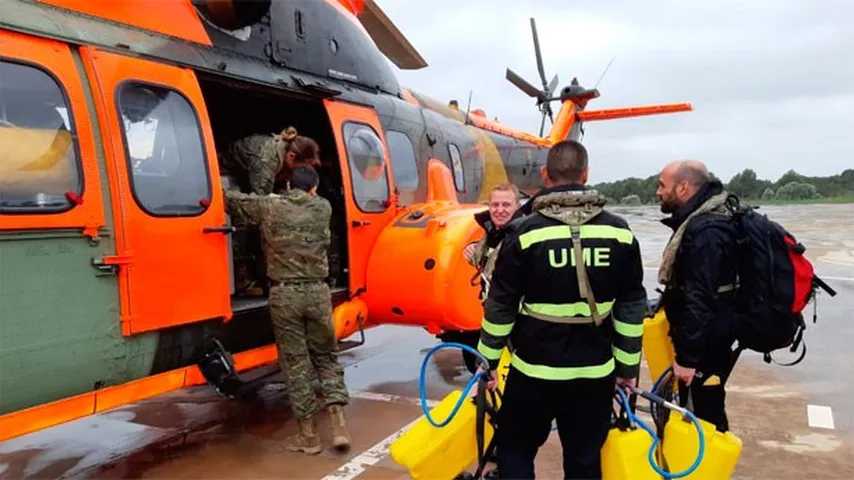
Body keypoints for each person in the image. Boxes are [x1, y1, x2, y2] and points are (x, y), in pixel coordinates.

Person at [478, 140, 647, 479]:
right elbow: (631, 307)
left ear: (545, 174)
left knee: (515, 450)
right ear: (586, 174)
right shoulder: (619, 232)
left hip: (534, 373)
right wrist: (627, 368)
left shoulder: (524, 233)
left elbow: (500, 307)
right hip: (595, 374)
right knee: (585, 459)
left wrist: (488, 364)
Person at [225, 166, 350, 454]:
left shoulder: (271, 206)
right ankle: (339, 424)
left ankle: (308, 436)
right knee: (326, 357)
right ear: (314, 189)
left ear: (288, 185)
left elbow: (234, 201)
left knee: (296, 364)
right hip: (318, 292)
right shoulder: (323, 208)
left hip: (285, 294)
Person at [656, 160, 738, 432]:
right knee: (703, 406)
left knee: (704, 414)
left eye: (662, 186)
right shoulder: (701, 221)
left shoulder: (705, 232)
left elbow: (700, 297)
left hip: (707, 345)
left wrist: (688, 358)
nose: (658, 192)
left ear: (683, 188)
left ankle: (705, 468)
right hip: (710, 337)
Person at [464, 183, 523, 300]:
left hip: (513, 308)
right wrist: (473, 249)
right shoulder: (491, 232)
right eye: (495, 205)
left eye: (506, 205)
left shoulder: (523, 234)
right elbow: (490, 258)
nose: (500, 210)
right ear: (489, 207)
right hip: (492, 304)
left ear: (517, 206)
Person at [221, 127, 321, 195]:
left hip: (248, 170)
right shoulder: (266, 161)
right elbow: (260, 200)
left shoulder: (283, 145)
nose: (300, 169)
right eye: (301, 166)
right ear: (291, 156)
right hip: (226, 170)